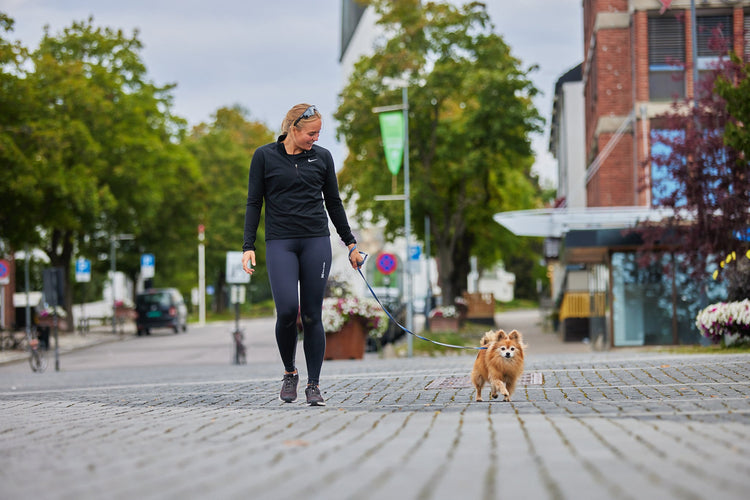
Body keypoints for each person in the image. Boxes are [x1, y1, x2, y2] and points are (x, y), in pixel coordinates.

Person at [241, 104, 364, 407]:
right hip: (281, 242)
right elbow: (254, 202)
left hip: (315, 242)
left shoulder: (322, 158)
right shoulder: (264, 156)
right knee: (286, 311)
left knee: (311, 314)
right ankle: (289, 372)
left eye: (319, 133)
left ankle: (314, 385)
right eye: (311, 133)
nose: (316, 138)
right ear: (293, 129)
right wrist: (248, 246)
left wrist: (350, 244)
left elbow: (334, 203)